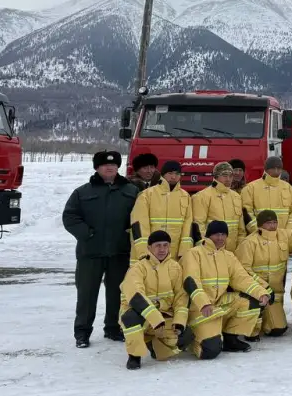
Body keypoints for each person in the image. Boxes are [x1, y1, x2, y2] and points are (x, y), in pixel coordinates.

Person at [63, 150, 137, 348]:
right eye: (105, 164)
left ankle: (113, 328)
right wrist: (87, 234)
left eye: (113, 164)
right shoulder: (82, 192)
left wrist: (131, 236)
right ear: (97, 167)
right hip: (90, 253)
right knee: (87, 294)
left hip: (120, 252)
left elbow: (140, 219)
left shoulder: (131, 191)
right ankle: (82, 333)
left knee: (117, 293)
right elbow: (70, 217)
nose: (110, 167)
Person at [180, 221, 271, 358]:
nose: (220, 238)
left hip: (218, 302)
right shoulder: (194, 254)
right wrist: (203, 302)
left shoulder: (228, 256)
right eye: (216, 234)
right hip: (198, 308)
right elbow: (191, 281)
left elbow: (242, 278)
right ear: (208, 235)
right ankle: (192, 340)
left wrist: (261, 293)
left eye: (223, 234)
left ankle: (230, 338)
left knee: (251, 301)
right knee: (210, 351)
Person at [119, 230, 190, 370]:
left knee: (187, 335)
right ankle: (134, 356)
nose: (162, 249)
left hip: (164, 316)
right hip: (142, 316)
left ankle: (154, 346)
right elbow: (136, 296)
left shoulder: (175, 268)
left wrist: (180, 322)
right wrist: (155, 318)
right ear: (149, 247)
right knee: (130, 317)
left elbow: (181, 297)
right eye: (158, 245)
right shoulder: (137, 268)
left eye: (165, 245)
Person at [236, 210, 292, 339]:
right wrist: (263, 287)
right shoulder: (249, 243)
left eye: (275, 222)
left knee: (278, 329)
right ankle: (253, 320)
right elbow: (243, 270)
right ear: (260, 225)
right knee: (252, 329)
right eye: (269, 223)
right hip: (254, 293)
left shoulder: (283, 235)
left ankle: (265, 318)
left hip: (275, 296)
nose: (273, 226)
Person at [129, 160, 194, 266]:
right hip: (150, 253)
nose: (174, 177)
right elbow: (139, 224)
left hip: (174, 254)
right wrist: (144, 252)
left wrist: (184, 252)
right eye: (170, 173)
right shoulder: (147, 195)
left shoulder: (185, 196)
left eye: (177, 174)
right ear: (163, 175)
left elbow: (188, 225)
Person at [191, 162, 247, 252]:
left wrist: (241, 247)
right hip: (211, 250)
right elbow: (199, 225)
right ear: (216, 176)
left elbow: (241, 229)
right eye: (224, 175)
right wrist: (205, 247)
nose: (228, 179)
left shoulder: (236, 197)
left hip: (233, 251)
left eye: (230, 176)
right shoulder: (202, 196)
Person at [241, 156, 292, 234]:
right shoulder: (251, 188)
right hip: (260, 237)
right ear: (266, 169)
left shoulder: (289, 188)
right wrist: (258, 231)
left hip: (284, 236)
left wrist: (288, 231)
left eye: (279, 168)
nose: (276, 171)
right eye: (273, 168)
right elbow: (247, 213)